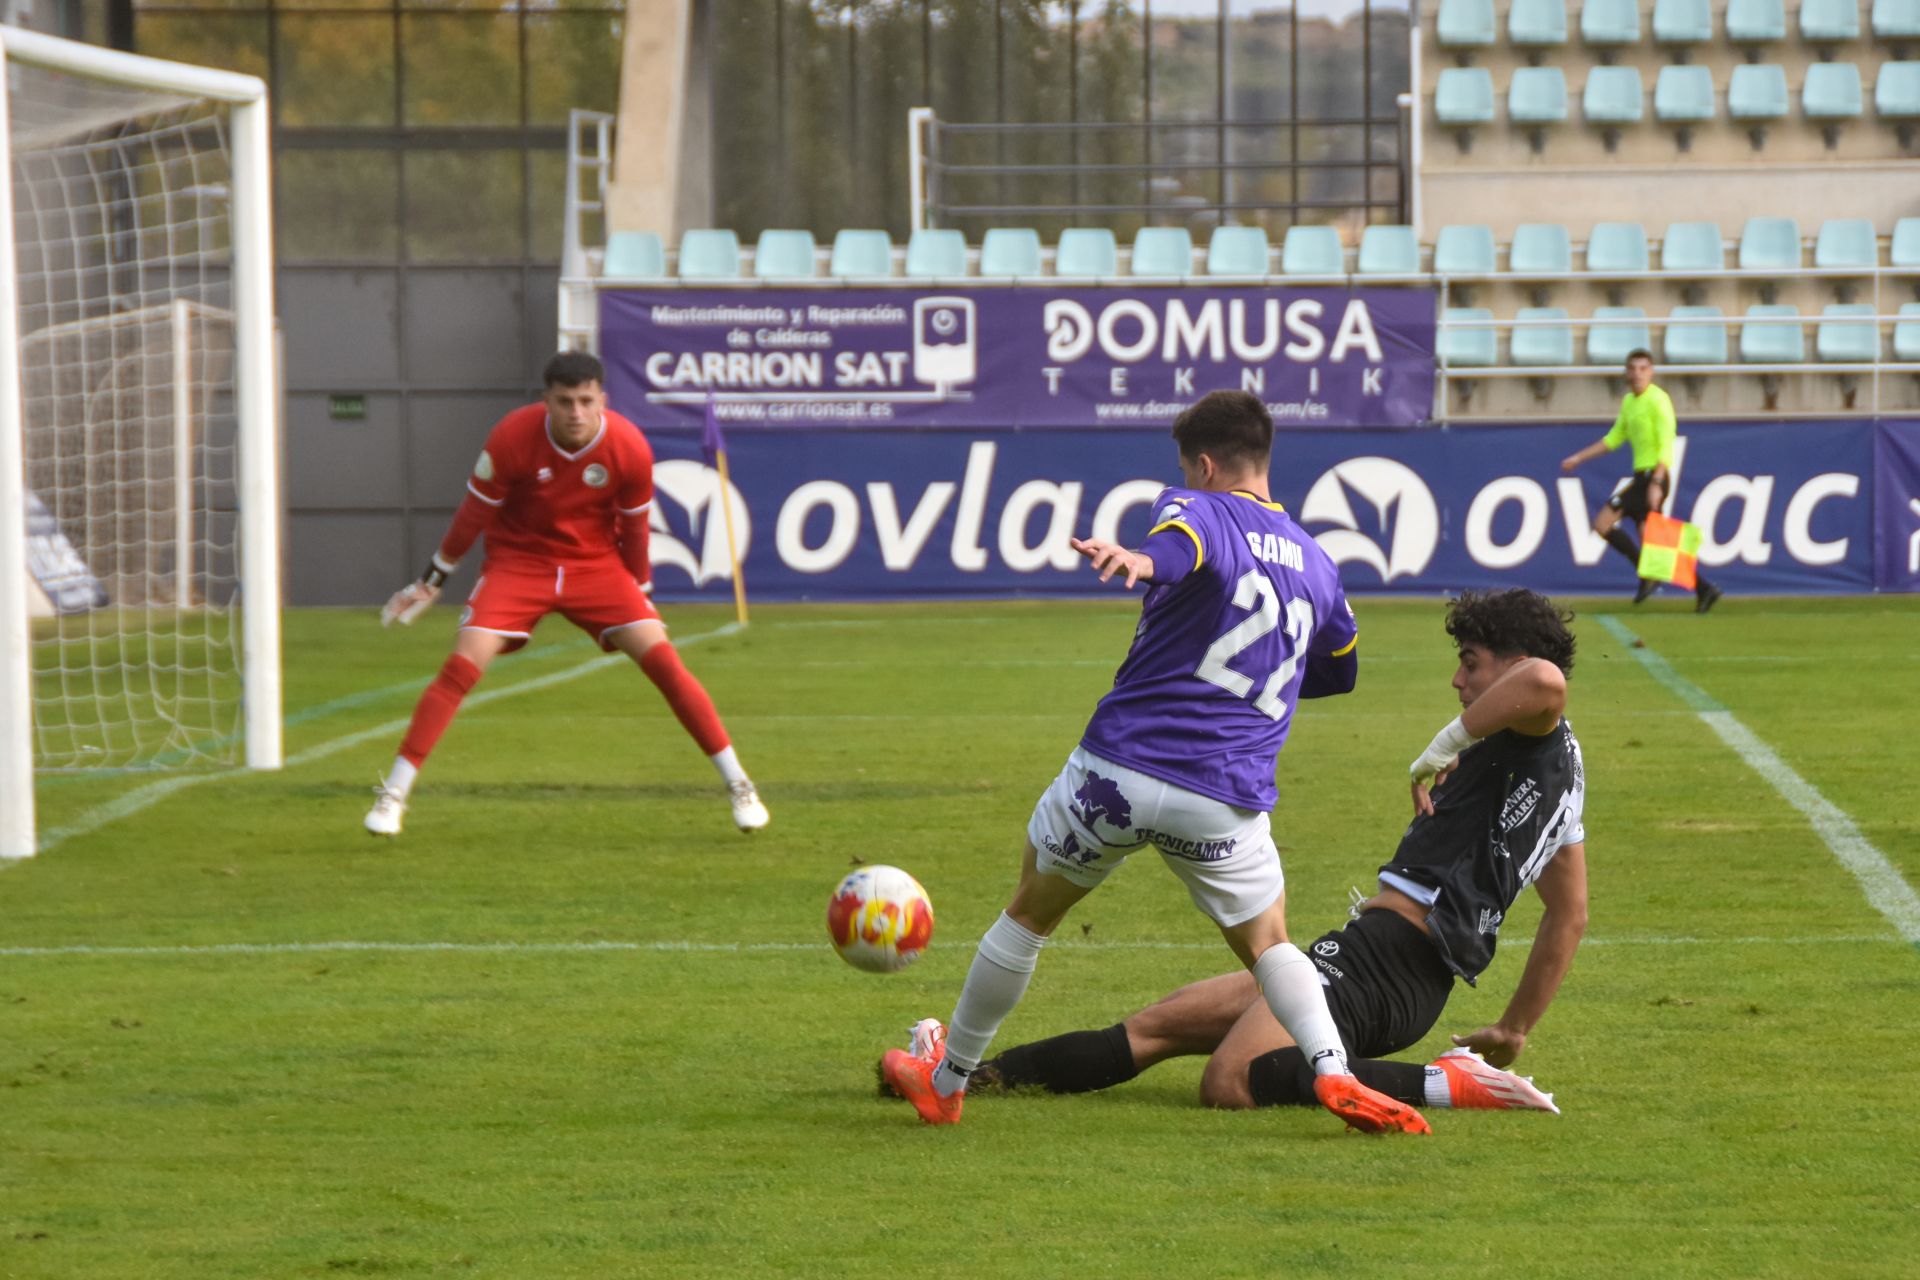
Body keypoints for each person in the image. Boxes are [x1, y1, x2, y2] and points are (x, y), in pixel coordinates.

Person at [878, 390, 1429, 1135]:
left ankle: (946, 1083)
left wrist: (1138, 558)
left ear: (1204, 465)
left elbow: (1175, 549)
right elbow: (1340, 670)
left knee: (1030, 914)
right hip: (1224, 796)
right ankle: (1333, 1071)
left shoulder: (1199, 509)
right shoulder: (1317, 563)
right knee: (1269, 945)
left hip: (1121, 772)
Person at [887, 589, 1588, 1124]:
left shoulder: (1533, 720)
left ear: (1512, 661)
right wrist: (1515, 1026)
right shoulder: (1563, 774)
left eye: (1471, 664)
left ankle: (1444, 1082)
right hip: (1383, 960)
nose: (1460, 683)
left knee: (1230, 1082)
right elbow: (1570, 913)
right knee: (1157, 1026)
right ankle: (963, 1074)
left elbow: (1544, 682)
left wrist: (1441, 747)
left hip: (1390, 964)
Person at [363, 351, 768, 837]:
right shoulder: (513, 436)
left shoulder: (629, 447)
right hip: (519, 564)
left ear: (603, 400)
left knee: (663, 660)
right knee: (462, 665)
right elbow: (475, 513)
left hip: (595, 567)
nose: (576, 412)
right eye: (564, 402)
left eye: (585, 401)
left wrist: (641, 591)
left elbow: (636, 530)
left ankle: (739, 783)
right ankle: (394, 795)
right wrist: (432, 580)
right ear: (546, 402)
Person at [1561, 348, 1721, 612]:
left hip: (1654, 477)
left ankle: (1693, 585)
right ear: (1626, 372)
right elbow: (1613, 439)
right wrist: (1579, 458)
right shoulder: (1629, 402)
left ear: (1651, 371)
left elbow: (1667, 442)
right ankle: (1700, 587)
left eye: (1643, 368)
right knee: (1606, 526)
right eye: (1633, 368)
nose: (1638, 374)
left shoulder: (1658, 400)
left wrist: (1657, 482)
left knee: (1656, 546)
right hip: (1640, 479)